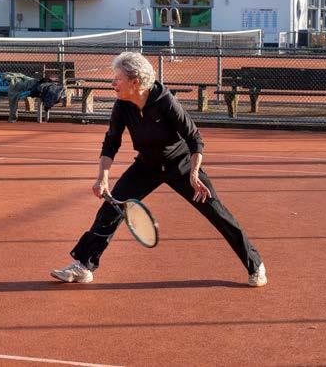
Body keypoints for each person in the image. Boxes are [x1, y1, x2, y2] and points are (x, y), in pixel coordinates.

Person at [51, 52, 267, 287]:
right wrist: (102, 178)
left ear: (135, 82)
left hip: (181, 164)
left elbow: (194, 138)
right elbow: (111, 141)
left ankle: (255, 265)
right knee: (110, 211)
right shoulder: (122, 105)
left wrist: (194, 174)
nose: (113, 83)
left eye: (118, 78)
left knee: (216, 212)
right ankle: (84, 266)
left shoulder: (165, 101)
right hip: (147, 165)